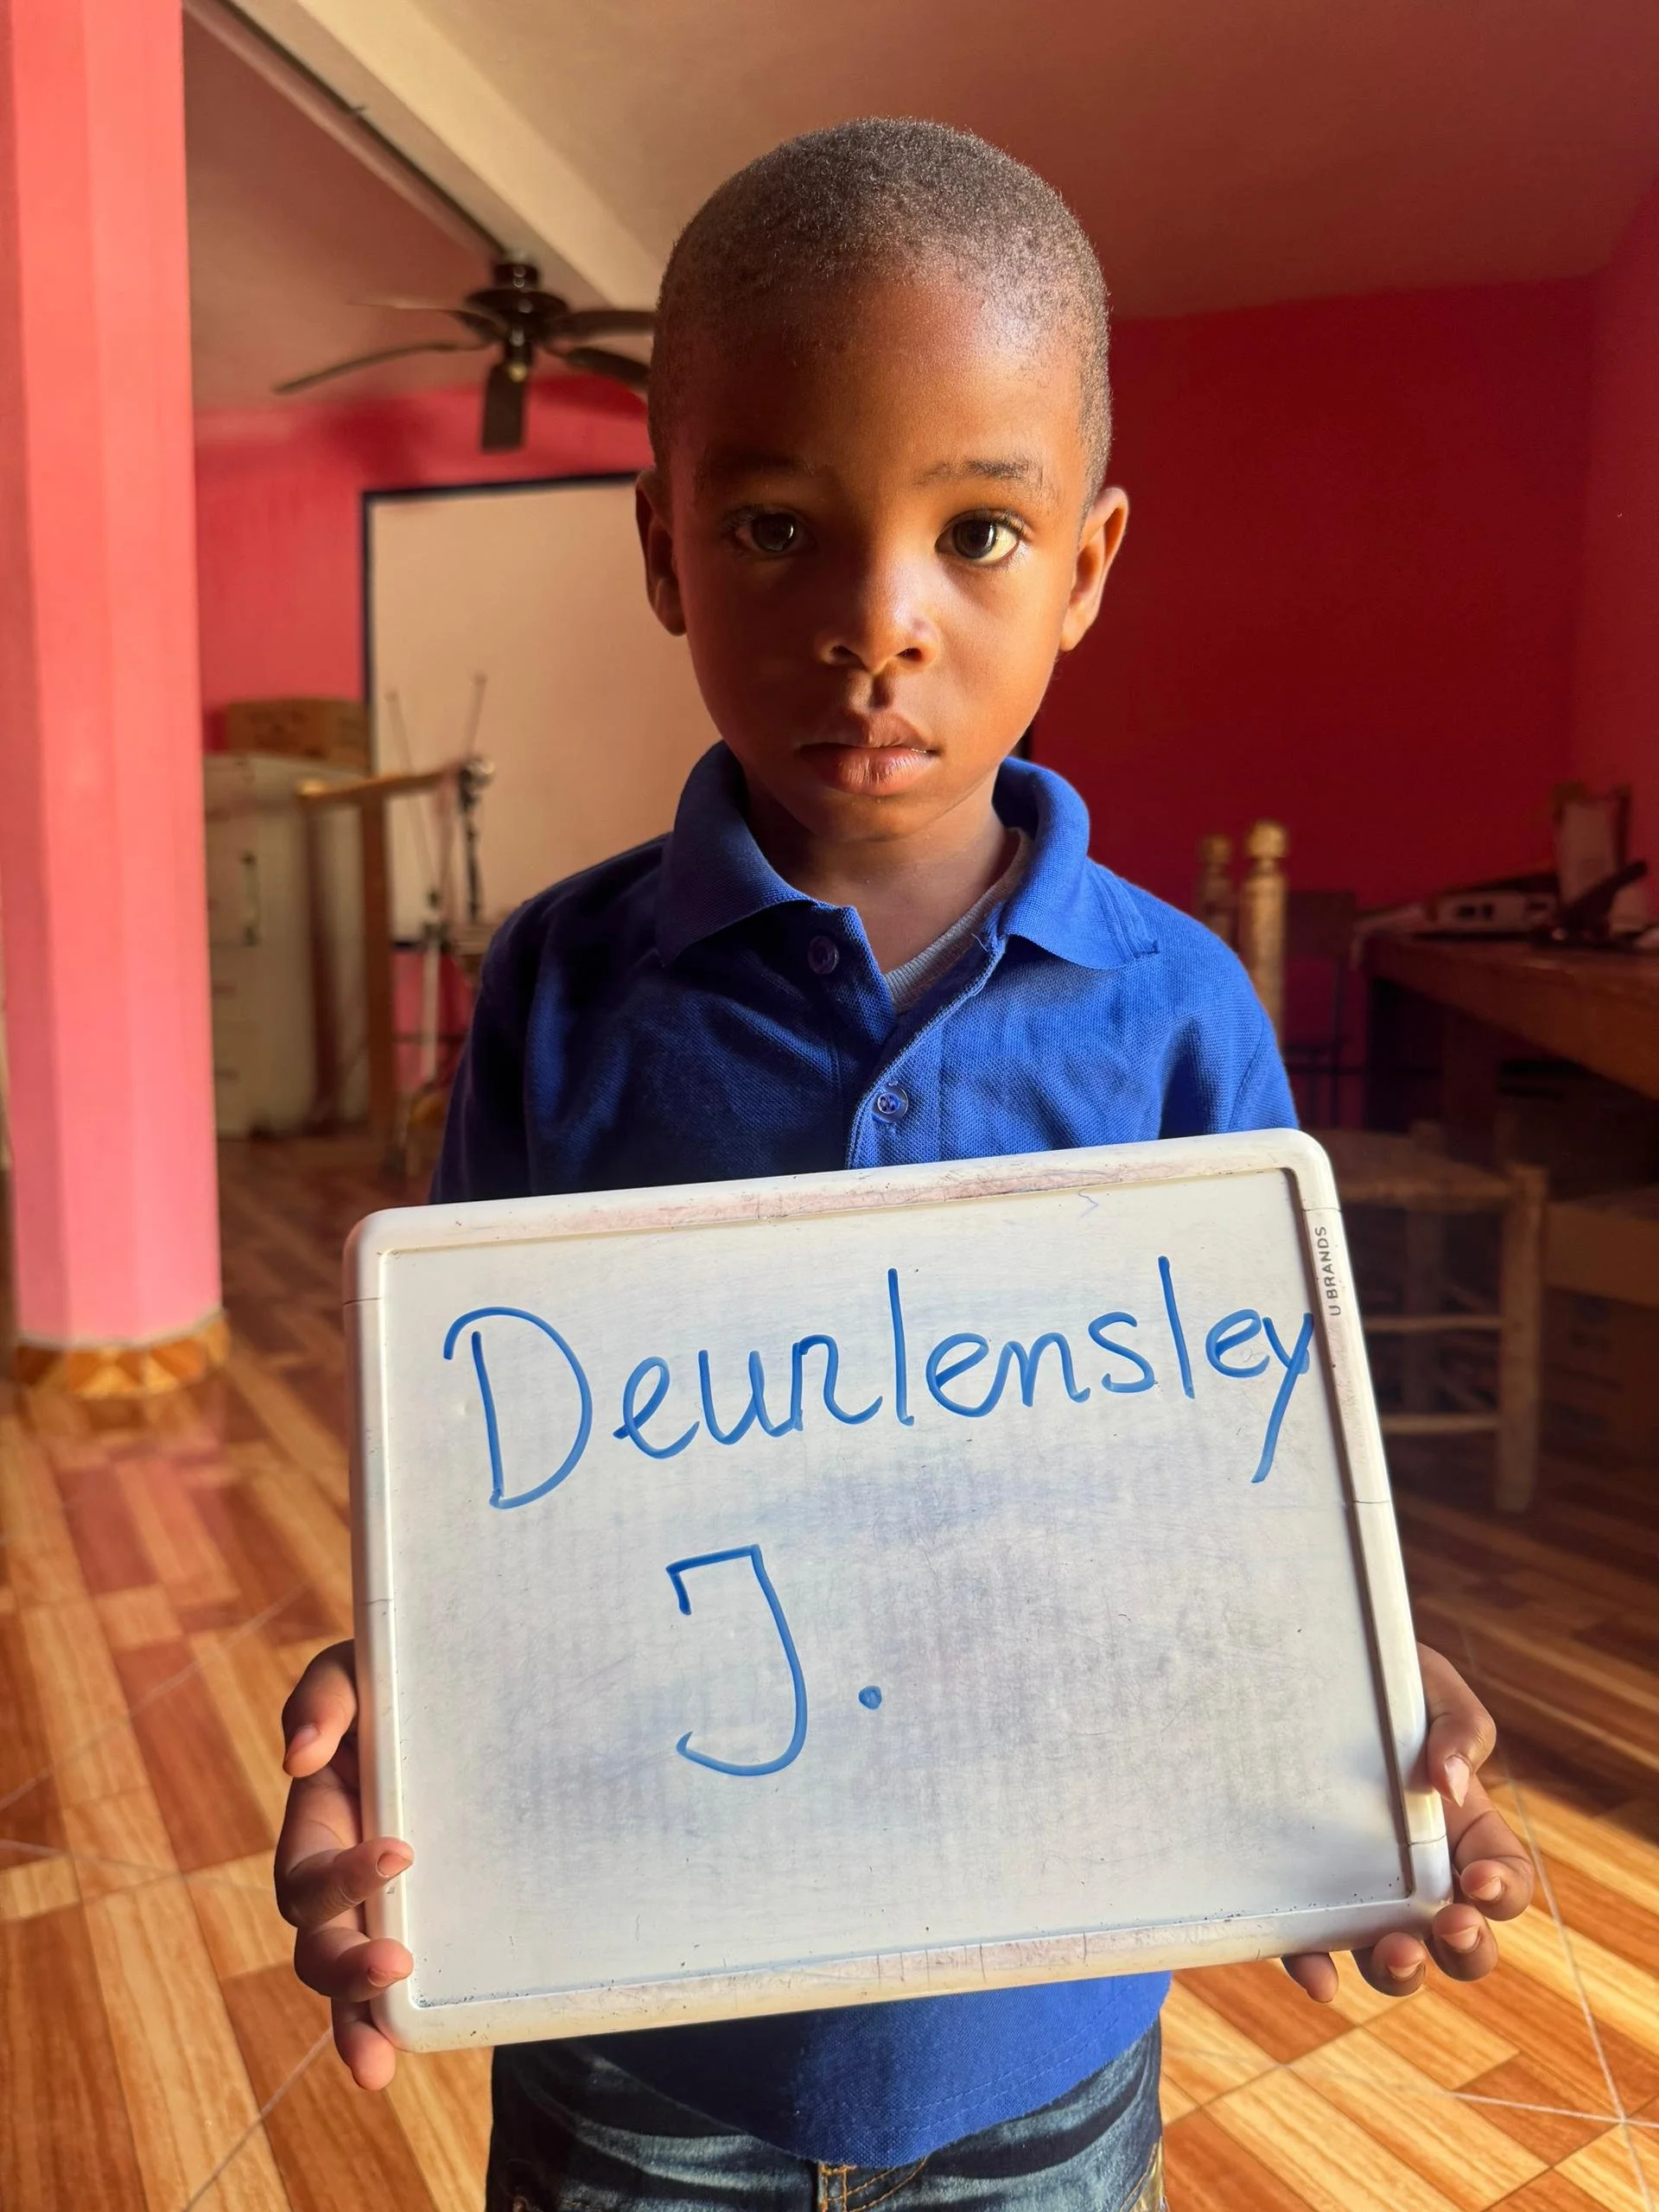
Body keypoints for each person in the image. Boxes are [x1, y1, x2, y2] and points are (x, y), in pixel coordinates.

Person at [276, 119, 1533, 2212]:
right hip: (643, 2029)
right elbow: (482, 1483)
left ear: (1090, 567)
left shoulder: (1181, 1018)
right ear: (665, 546)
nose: (879, 622)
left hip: (1042, 2035)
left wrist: (1344, 1707)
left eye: (978, 532)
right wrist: (415, 1688)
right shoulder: (561, 989)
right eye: (777, 528)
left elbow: (1250, 1499)